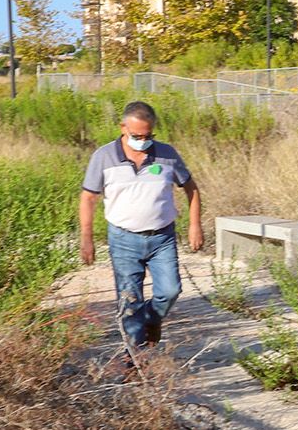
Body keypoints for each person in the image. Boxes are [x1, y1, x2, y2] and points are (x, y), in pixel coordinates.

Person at [79, 101, 205, 362]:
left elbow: (191, 189)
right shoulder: (103, 157)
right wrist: (87, 239)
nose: (143, 141)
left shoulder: (167, 154)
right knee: (129, 301)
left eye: (149, 136)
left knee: (170, 291)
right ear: (123, 127)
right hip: (123, 239)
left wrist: (195, 225)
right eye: (137, 136)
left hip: (162, 238)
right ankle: (134, 359)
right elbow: (88, 198)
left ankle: (152, 319)